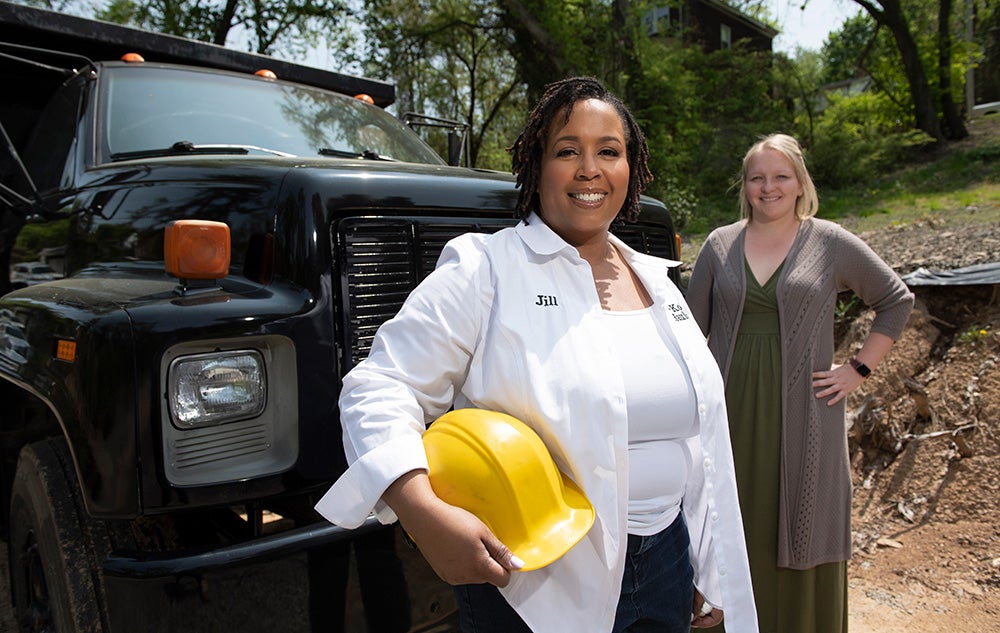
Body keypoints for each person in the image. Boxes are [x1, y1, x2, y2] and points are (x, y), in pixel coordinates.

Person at [315, 76, 758, 633]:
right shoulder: (486, 269)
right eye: (567, 150)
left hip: (666, 561)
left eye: (609, 152)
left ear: (631, 170)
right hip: (535, 576)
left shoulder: (657, 282)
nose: (589, 169)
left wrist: (703, 558)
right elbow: (379, 386)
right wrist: (421, 513)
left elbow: (693, 440)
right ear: (536, 166)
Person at [685, 133, 914, 633]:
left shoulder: (829, 241)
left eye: (780, 176)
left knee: (801, 519)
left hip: (809, 413)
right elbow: (685, 327)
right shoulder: (719, 244)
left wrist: (857, 370)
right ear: (744, 186)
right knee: (728, 519)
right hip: (728, 413)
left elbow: (896, 300)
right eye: (757, 178)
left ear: (800, 182)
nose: (769, 187)